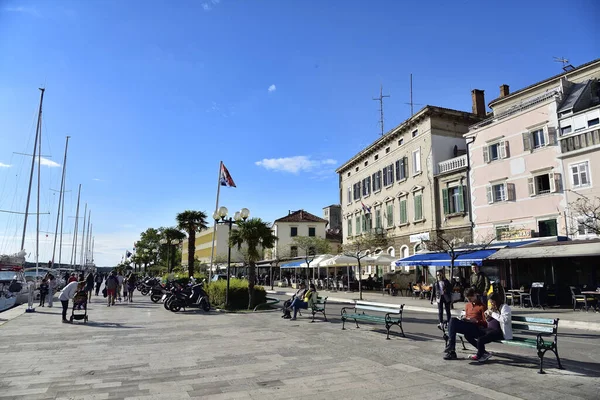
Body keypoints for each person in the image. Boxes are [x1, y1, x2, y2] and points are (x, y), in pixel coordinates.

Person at [443, 288, 488, 360]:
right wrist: (464, 319)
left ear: (475, 295)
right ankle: (451, 351)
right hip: (468, 326)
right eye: (467, 299)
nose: (469, 301)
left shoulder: (482, 306)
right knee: (452, 321)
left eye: (470, 298)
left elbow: (486, 323)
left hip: (477, 328)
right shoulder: (468, 305)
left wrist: (476, 321)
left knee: (453, 322)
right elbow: (467, 317)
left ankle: (451, 348)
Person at [472, 292, 512, 362]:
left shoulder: (504, 307)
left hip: (499, 332)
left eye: (493, 302)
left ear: (497, 300)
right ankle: (483, 353)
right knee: (475, 333)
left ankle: (480, 355)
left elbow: (504, 320)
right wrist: (487, 317)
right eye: (490, 302)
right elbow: (490, 321)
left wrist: (492, 313)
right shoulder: (494, 308)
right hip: (490, 329)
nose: (492, 304)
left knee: (481, 340)